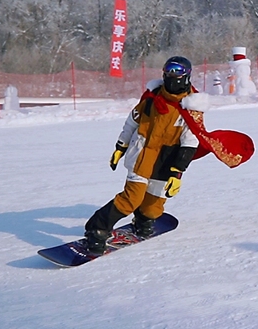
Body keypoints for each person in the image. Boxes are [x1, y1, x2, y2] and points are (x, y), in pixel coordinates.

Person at [83, 55, 211, 255]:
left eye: (177, 72)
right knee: (131, 199)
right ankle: (97, 229)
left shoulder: (192, 108)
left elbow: (190, 142)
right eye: (168, 71)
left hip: (166, 160)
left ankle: (143, 219)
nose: (172, 76)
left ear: (186, 76)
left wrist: (177, 173)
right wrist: (120, 147)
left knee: (153, 209)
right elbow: (132, 122)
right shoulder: (151, 99)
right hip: (142, 154)